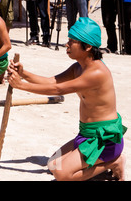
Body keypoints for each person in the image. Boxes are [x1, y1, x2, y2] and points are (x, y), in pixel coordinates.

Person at [7, 17, 127, 181]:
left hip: (104, 140)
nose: (67, 45)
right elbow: (52, 81)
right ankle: (100, 166)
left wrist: (21, 86)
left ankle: (114, 161)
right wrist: (23, 74)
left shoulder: (96, 73)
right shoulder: (79, 66)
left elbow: (57, 89)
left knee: (62, 175)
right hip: (86, 133)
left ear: (88, 46)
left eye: (72, 41)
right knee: (53, 165)